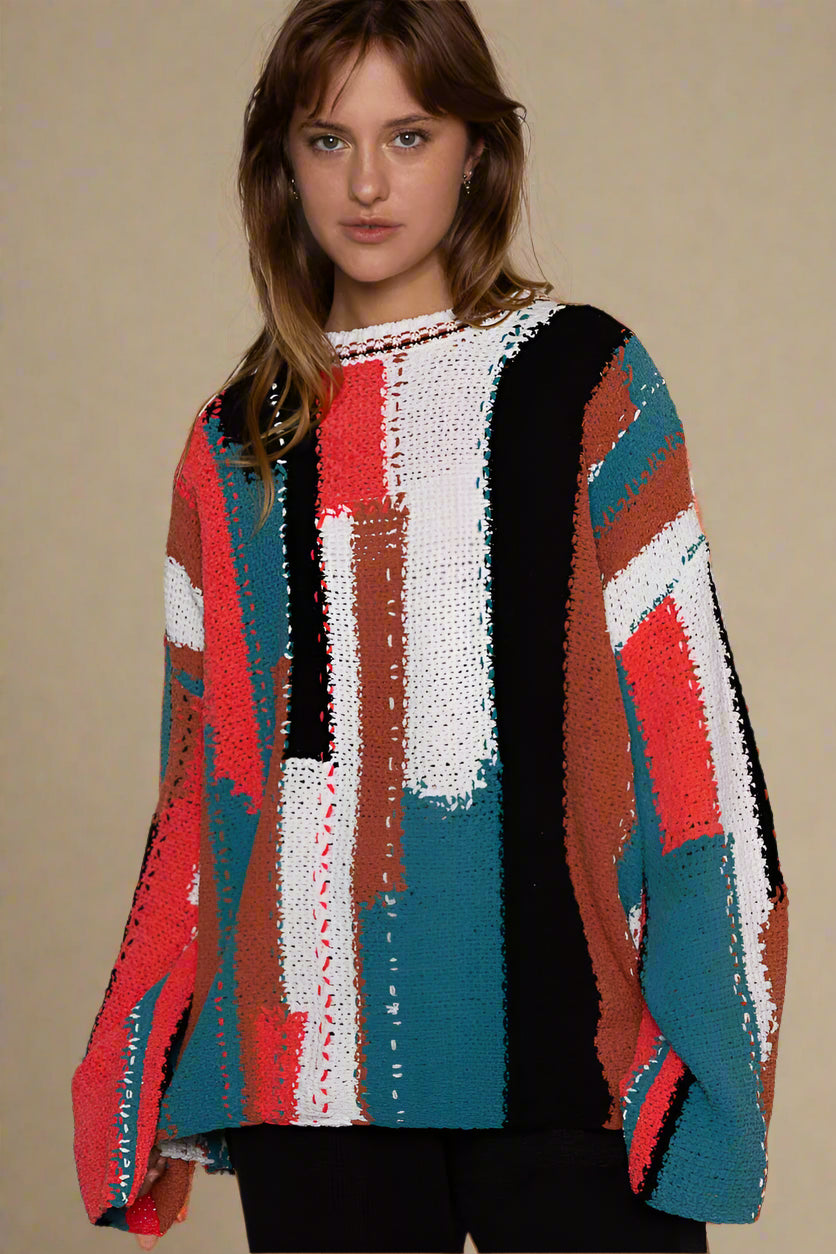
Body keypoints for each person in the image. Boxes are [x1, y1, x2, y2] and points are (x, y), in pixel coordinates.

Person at [70, 2, 789, 1252]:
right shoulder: (232, 442)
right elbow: (201, 783)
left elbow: (692, 745)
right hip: (305, 1078)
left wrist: (719, 1060)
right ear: (278, 166)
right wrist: (134, 1063)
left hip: (566, 1065)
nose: (364, 182)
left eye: (407, 133)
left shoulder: (585, 381)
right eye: (324, 139)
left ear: (476, 150)